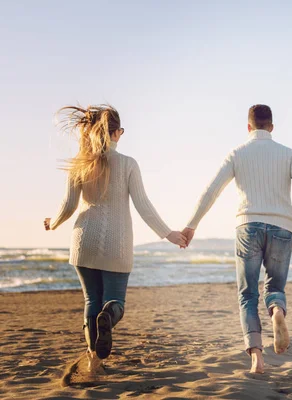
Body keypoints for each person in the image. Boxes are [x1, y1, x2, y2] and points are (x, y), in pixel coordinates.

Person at [44, 105, 187, 372]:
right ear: (117, 133)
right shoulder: (128, 164)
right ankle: (108, 317)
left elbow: (68, 205)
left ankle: (92, 361)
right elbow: (144, 205)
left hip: (82, 242)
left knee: (90, 301)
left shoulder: (79, 164)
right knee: (113, 302)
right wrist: (169, 234)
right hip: (117, 244)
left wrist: (52, 224)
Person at [182, 104, 292, 373]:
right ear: (272, 127)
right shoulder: (288, 154)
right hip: (282, 227)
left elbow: (212, 190)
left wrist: (191, 225)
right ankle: (277, 309)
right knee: (275, 287)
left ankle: (257, 357)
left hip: (248, 227)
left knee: (247, 295)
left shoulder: (237, 153)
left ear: (248, 127)